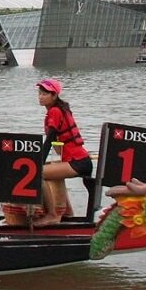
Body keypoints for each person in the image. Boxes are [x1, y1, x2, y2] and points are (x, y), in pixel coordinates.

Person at [36, 79, 93, 224]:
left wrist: (38, 161)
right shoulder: (58, 109)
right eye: (40, 93)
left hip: (77, 162)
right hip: (80, 160)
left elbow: (49, 139)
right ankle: (67, 213)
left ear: (54, 96)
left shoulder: (55, 111)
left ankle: (52, 215)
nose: (40, 97)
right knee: (52, 172)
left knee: (38, 174)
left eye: (45, 94)